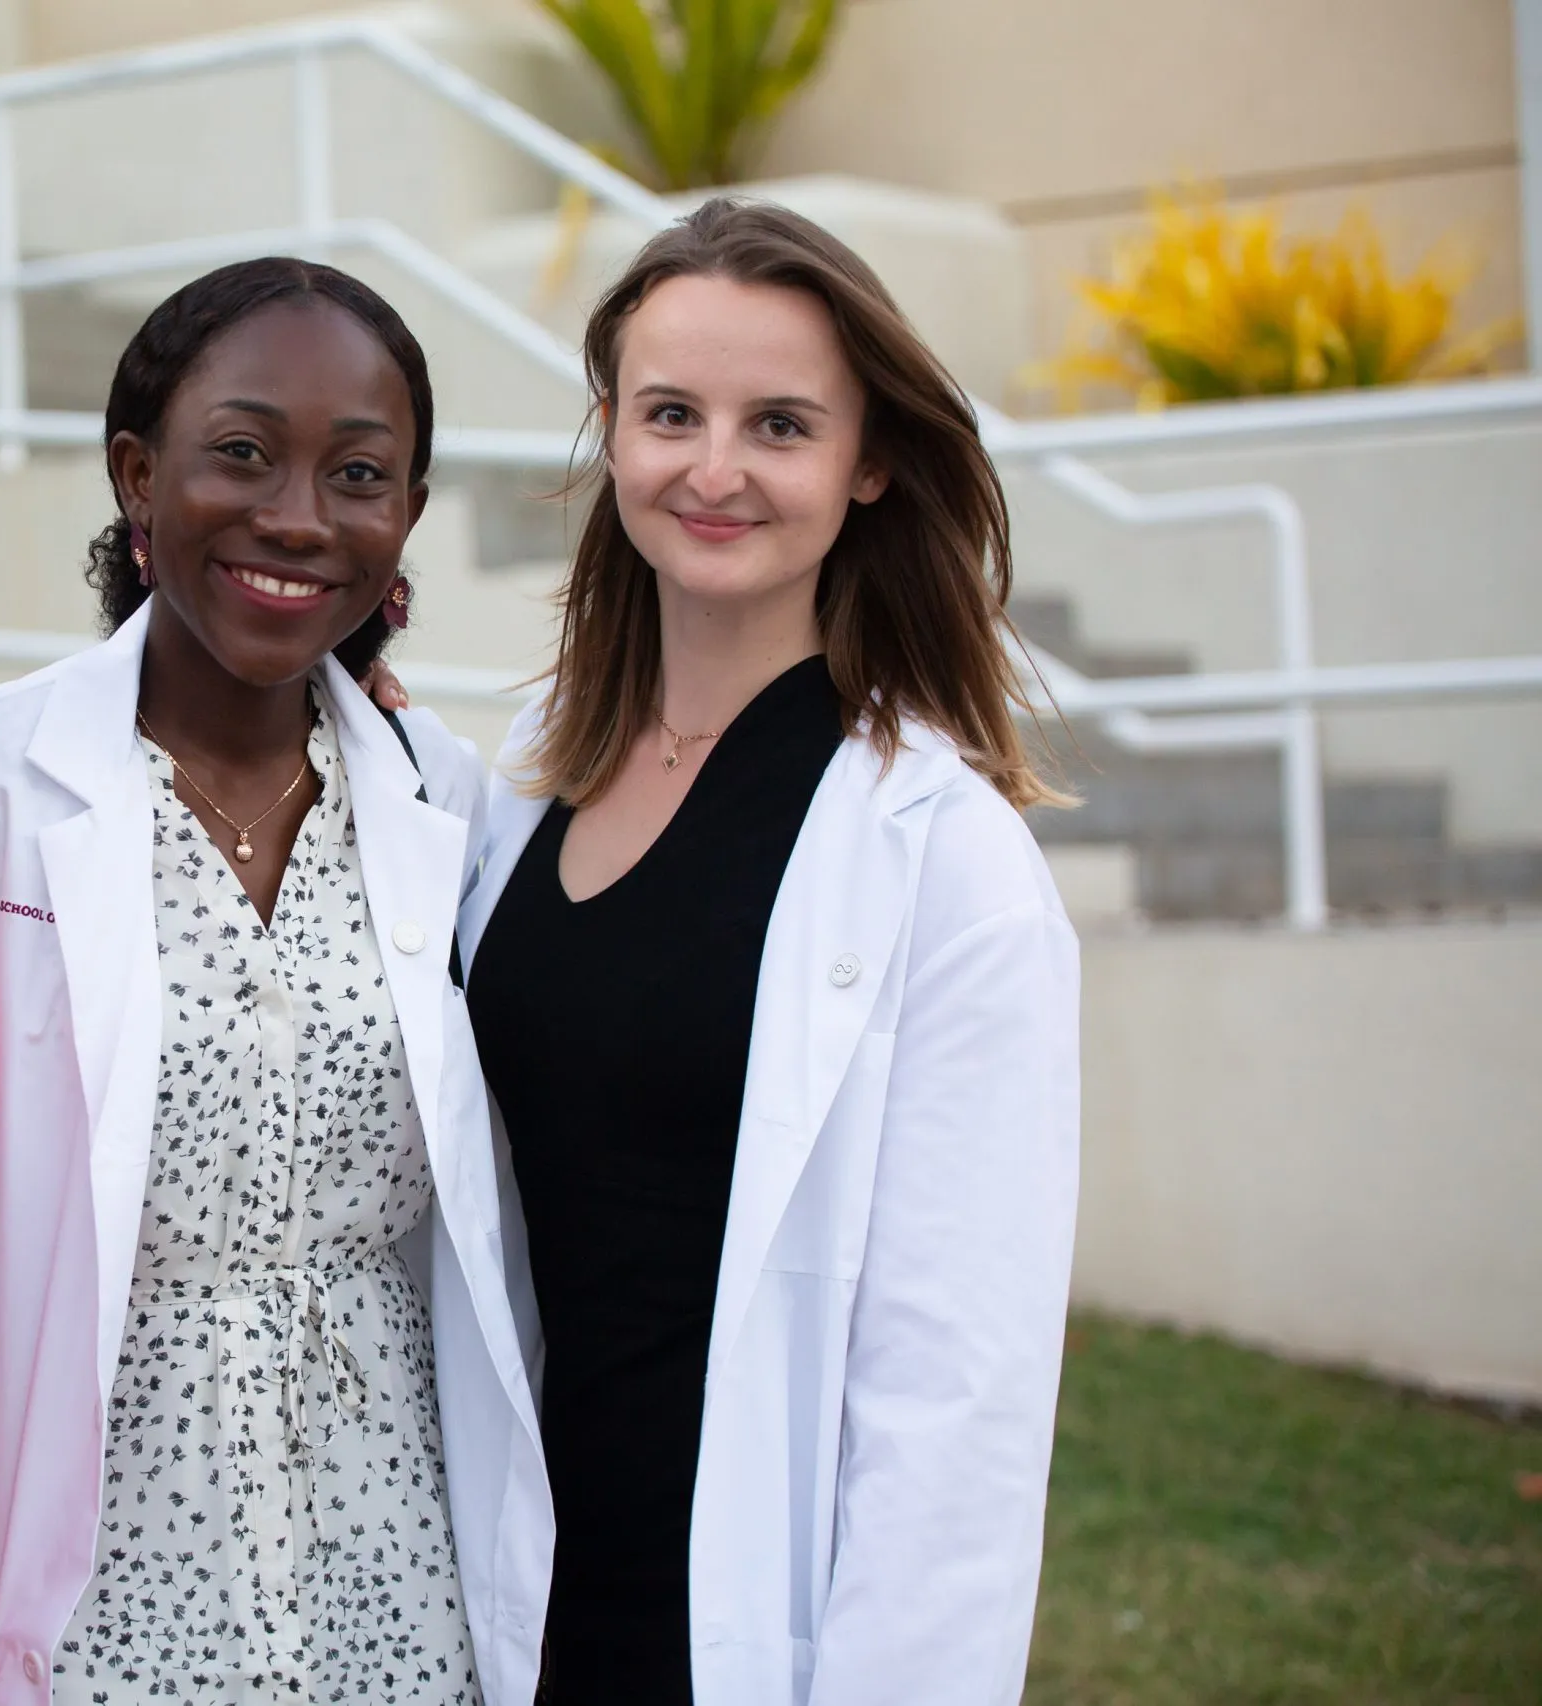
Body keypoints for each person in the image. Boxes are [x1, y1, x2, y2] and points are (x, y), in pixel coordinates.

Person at [0, 258, 550, 1706]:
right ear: (137, 473)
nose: (298, 515)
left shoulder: (458, 810)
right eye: (240, 453)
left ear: (408, 516)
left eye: (359, 473)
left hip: (394, 1593)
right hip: (91, 1596)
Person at [460, 199, 1081, 1704]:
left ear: (869, 464)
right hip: (503, 1595)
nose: (713, 468)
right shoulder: (519, 798)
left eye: (780, 424)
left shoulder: (944, 861)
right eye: (670, 413)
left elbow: (959, 1404)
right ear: (612, 438)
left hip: (739, 1622)